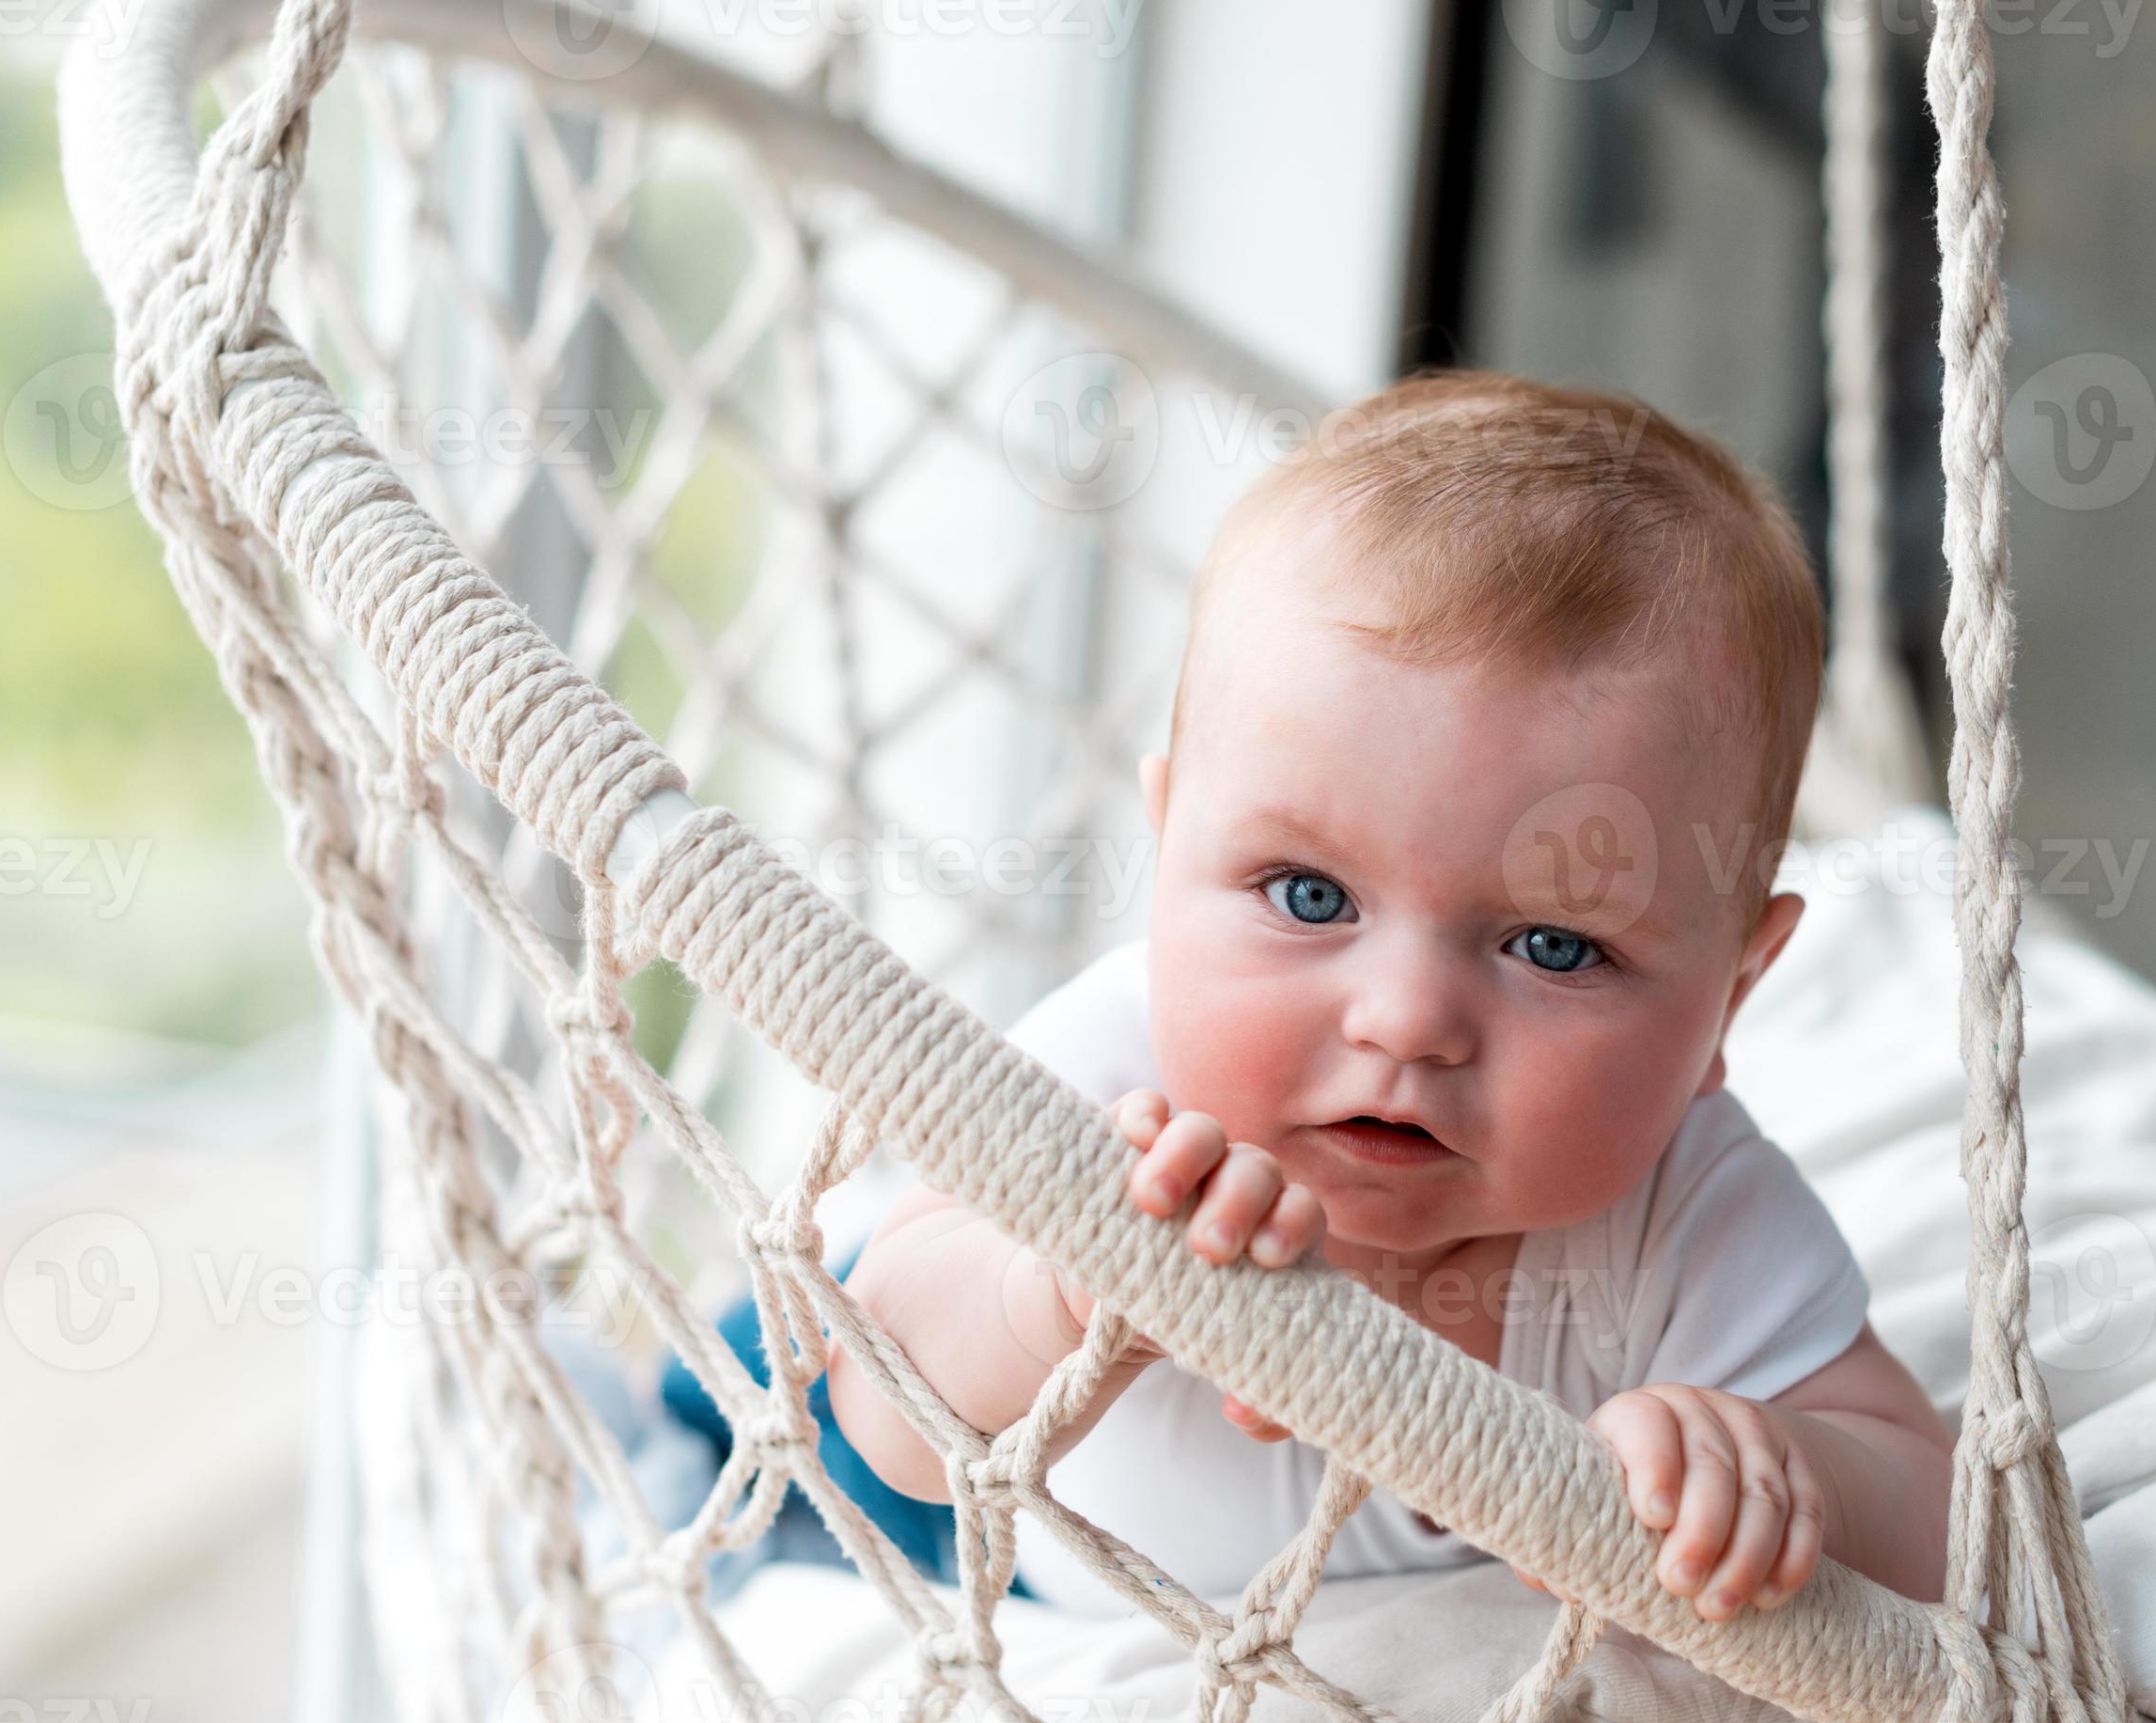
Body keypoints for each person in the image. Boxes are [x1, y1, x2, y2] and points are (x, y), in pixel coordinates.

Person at [735, 370, 1952, 1621]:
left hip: (1279, 1658)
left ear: (1729, 1000)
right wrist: (1060, 1289)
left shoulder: (1686, 1221)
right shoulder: (1111, 1080)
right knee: (744, 1380)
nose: (1407, 1020)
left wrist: (1785, 1470)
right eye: (1309, 897)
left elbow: (1931, 1510)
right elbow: (881, 1411)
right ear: (1168, 856)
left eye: (1552, 947)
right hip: (967, 1542)